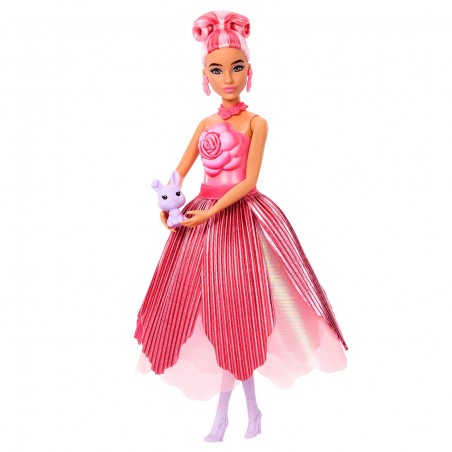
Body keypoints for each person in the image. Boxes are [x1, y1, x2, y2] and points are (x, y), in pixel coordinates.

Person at [134, 10, 348, 442]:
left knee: (240, 314)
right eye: (217, 70)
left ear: (249, 70)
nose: (227, 78)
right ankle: (240, 413)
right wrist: (168, 203)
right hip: (201, 223)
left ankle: (237, 414)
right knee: (210, 314)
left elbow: (249, 181)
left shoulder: (256, 123)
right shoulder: (205, 124)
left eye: (236, 67)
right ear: (205, 76)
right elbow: (179, 173)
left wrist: (209, 212)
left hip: (240, 221)